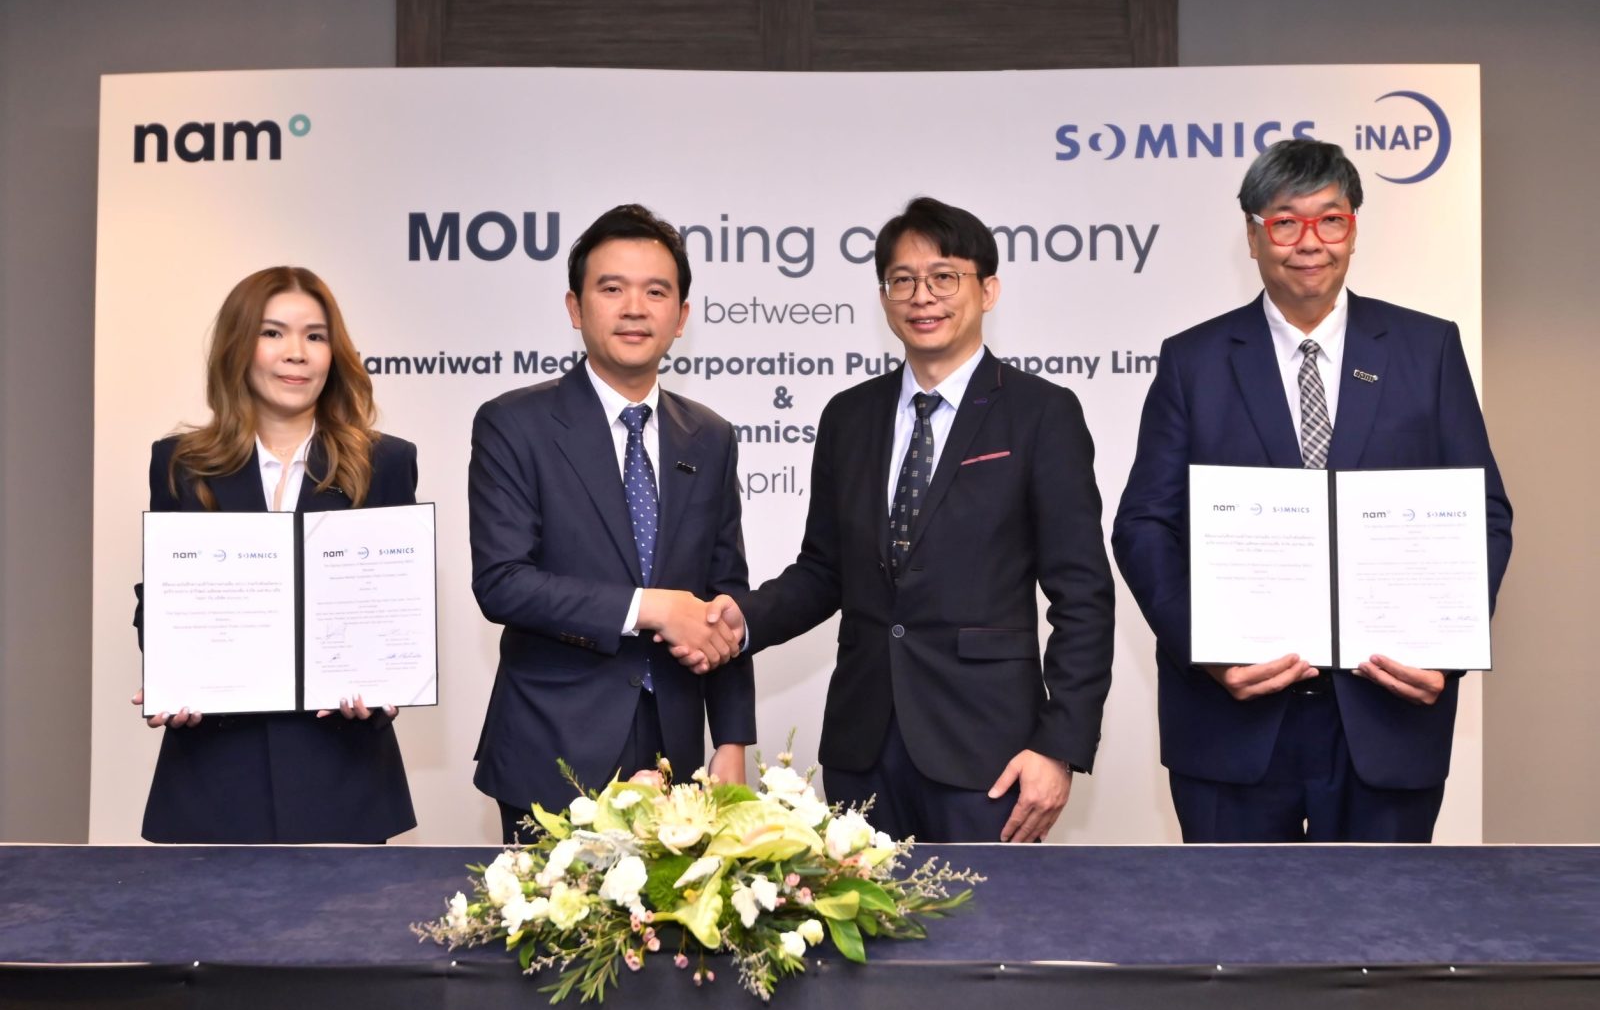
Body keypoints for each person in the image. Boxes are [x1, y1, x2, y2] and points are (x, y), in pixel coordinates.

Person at [1112, 139, 1513, 843]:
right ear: (1252, 235)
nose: (1309, 242)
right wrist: (1208, 648)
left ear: (1353, 230)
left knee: (1382, 915)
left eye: (1331, 219)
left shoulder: (1428, 350)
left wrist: (1444, 652)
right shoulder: (1192, 361)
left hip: (1386, 713)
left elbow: (1484, 515)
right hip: (1232, 718)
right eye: (1284, 222)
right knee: (1233, 916)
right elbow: (1145, 525)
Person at [700, 197, 1116, 843]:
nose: (923, 296)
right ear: (884, 297)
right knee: (860, 913)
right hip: (863, 749)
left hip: (990, 754)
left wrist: (1058, 745)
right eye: (903, 280)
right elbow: (824, 571)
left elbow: (1083, 594)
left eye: (944, 277)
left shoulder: (1041, 414)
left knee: (988, 914)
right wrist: (742, 619)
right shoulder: (848, 417)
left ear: (988, 290)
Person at [468, 204, 754, 843]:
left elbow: (724, 595)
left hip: (676, 749)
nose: (634, 309)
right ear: (575, 307)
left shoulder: (710, 437)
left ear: (681, 316)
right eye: (612, 289)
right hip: (553, 747)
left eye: (656, 292)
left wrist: (733, 740)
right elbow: (503, 582)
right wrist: (651, 607)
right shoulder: (514, 424)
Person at [133, 266, 418, 843]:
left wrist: (386, 684)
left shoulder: (383, 462)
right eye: (273, 333)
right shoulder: (181, 464)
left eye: (315, 336)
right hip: (213, 774)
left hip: (342, 774)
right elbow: (160, 601)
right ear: (238, 347)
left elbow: (395, 605)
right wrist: (170, 675)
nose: (297, 353)